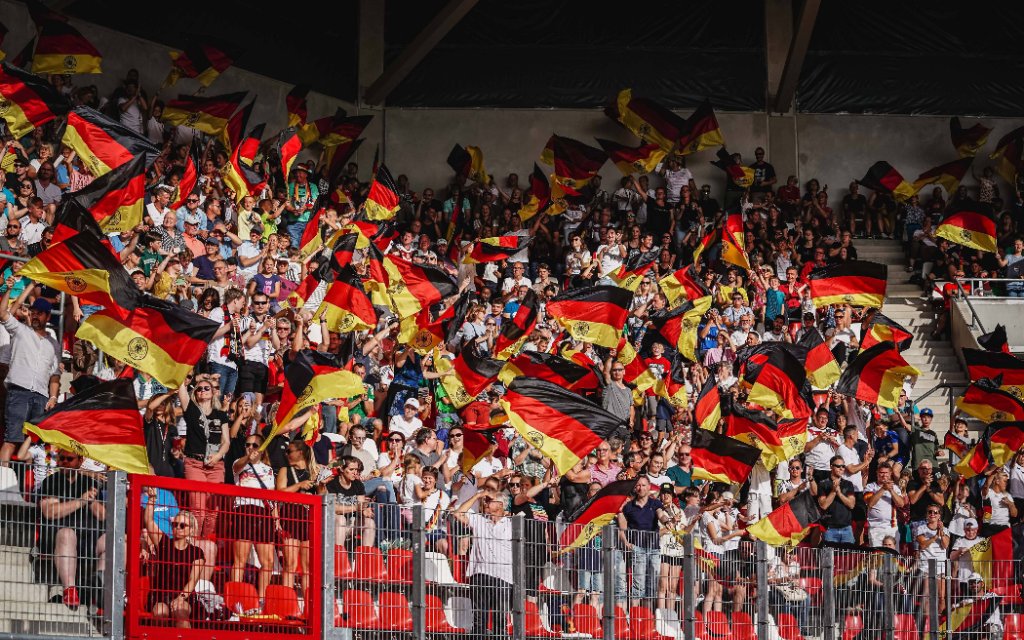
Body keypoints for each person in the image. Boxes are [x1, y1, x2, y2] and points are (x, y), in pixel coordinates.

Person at [37, 450, 106, 609]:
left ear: (80, 460)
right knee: (67, 534)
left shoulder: (89, 482)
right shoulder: (52, 481)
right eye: (62, 458)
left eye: (70, 458)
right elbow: (50, 512)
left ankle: (100, 586)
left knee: (115, 541)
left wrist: (92, 501)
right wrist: (81, 501)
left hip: (88, 536)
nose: (65, 462)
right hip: (59, 537)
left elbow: (102, 515)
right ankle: (70, 589)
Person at [0, 284, 60, 464]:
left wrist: (54, 397)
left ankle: (28, 490)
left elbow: (55, 375)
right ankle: (1, 486)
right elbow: (3, 313)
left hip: (41, 396)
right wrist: (24, 287)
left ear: (48, 316)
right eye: (33, 312)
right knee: (11, 440)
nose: (35, 315)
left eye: (40, 313)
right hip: (19, 392)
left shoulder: (54, 345)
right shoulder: (20, 331)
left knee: (35, 447)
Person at [453, 489, 513, 638]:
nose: (486, 502)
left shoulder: (511, 524)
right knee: (479, 620)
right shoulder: (479, 520)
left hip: (503, 577)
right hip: (481, 574)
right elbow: (457, 513)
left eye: (490, 500)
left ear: (501, 505)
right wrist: (477, 495)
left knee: (500, 620)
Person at [177, 374, 230, 538]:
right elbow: (181, 389)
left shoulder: (220, 415)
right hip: (195, 463)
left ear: (213, 392)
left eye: (206, 388)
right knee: (198, 510)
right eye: (199, 389)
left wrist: (218, 456)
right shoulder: (191, 409)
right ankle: (194, 543)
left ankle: (205, 544)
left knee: (212, 511)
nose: (202, 391)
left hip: (216, 465)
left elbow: (226, 442)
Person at [142, 490, 204, 627]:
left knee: (181, 613)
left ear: (191, 530)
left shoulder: (197, 552)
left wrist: (180, 598)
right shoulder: (163, 543)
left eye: (183, 525)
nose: (178, 528)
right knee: (160, 613)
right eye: (175, 524)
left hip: (184, 595)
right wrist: (152, 499)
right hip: (161, 594)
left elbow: (193, 581)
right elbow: (148, 521)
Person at [617, 476, 666, 608]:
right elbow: (622, 528)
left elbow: (661, 515)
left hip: (654, 548)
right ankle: (634, 615)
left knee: (652, 583)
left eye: (644, 485)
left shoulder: (655, 503)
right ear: (635, 488)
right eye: (638, 485)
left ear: (649, 487)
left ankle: (647, 616)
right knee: (638, 583)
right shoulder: (628, 506)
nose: (641, 488)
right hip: (637, 548)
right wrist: (626, 542)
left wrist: (667, 521)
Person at [814, 455, 857, 543]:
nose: (841, 468)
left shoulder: (848, 484)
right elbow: (823, 505)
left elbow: (851, 505)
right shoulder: (823, 484)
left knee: (848, 557)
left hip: (846, 528)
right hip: (830, 529)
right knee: (828, 557)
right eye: (838, 466)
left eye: (843, 466)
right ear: (831, 467)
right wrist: (833, 491)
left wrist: (839, 493)